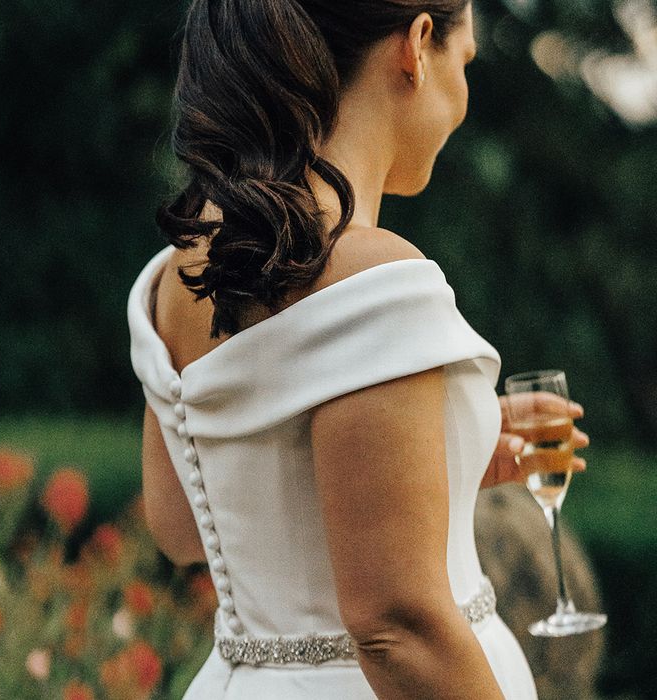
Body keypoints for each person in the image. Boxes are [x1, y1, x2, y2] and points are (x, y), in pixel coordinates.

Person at [127, 1, 588, 697]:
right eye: (465, 63)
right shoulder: (378, 280)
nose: (464, 97)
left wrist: (448, 463)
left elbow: (185, 529)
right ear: (418, 45)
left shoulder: (182, 272)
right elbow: (399, 628)